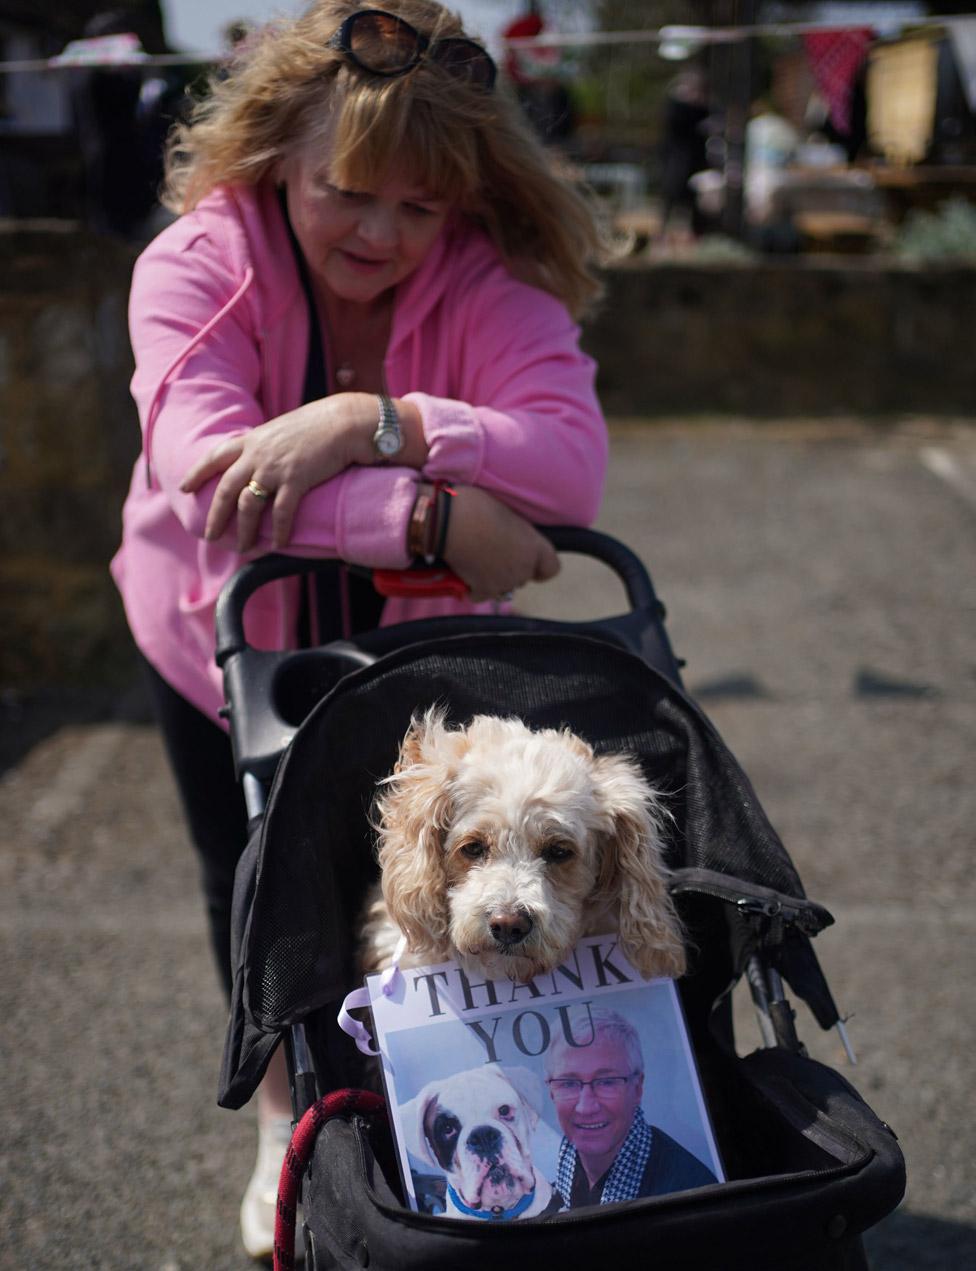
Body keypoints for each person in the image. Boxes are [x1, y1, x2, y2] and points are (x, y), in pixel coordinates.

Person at [109, 1, 609, 1259]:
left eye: (420, 208)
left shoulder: (487, 277)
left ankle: (443, 1093)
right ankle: (285, 1117)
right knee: (254, 875)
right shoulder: (196, 261)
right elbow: (208, 476)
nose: (381, 233)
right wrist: (438, 520)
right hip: (212, 630)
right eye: (346, 192)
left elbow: (572, 468)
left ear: (462, 199)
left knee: (425, 874)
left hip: (417, 651)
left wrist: (366, 423)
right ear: (278, 154)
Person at [544, 1008, 717, 1208]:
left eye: (606, 1082)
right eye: (568, 1083)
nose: (586, 1107)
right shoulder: (551, 1184)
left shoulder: (688, 1193)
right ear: (551, 1092)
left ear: (637, 1088)